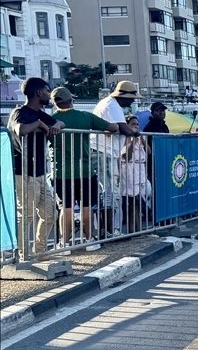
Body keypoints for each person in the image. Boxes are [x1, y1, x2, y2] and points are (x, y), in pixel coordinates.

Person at [49, 86, 116, 250]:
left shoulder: (51, 120)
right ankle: (89, 240)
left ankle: (64, 244)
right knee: (86, 205)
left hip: (61, 172)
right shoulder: (85, 116)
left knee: (66, 207)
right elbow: (113, 127)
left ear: (55, 103)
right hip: (85, 170)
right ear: (71, 101)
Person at [7, 77, 63, 257]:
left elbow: (60, 123)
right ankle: (24, 254)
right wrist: (39, 124)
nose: (49, 95)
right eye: (47, 91)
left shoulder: (40, 113)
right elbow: (20, 130)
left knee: (50, 213)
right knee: (27, 215)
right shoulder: (19, 112)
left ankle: (40, 250)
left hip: (40, 172)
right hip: (24, 173)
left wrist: (55, 127)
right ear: (39, 93)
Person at [91, 80, 141, 237]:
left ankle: (108, 230)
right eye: (131, 98)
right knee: (109, 193)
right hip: (103, 152)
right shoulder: (112, 105)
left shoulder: (109, 103)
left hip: (104, 151)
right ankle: (110, 231)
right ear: (123, 96)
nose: (133, 101)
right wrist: (135, 133)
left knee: (108, 192)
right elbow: (124, 128)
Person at [120, 115, 150, 234]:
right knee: (132, 199)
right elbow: (127, 156)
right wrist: (132, 140)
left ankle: (138, 227)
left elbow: (148, 151)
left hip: (140, 167)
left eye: (137, 124)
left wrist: (141, 139)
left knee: (138, 198)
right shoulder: (125, 138)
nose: (136, 127)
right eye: (133, 124)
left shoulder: (141, 138)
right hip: (129, 168)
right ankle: (132, 228)